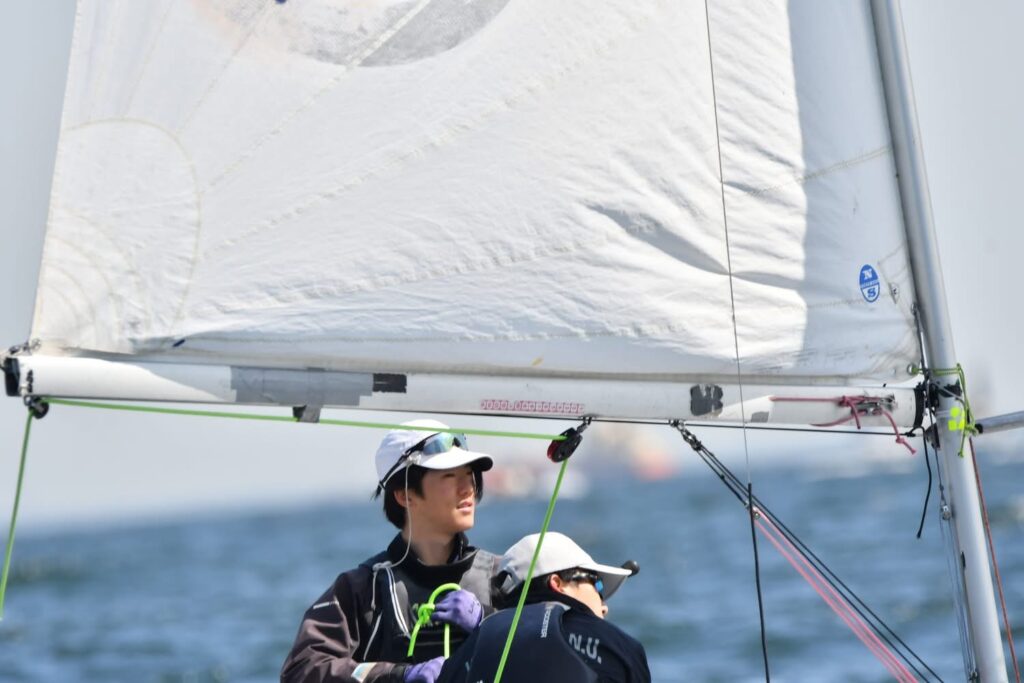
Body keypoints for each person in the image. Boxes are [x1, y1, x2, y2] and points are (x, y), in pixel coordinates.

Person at [282, 419, 500, 683]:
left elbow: (546, 644)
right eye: (449, 476)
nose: (468, 488)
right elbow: (302, 670)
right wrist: (397, 676)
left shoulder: (502, 576)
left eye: (468, 475)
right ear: (404, 495)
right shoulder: (361, 591)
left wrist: (489, 620)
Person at [437, 532, 651, 682]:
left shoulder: (464, 655)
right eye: (597, 585)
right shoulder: (618, 645)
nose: (604, 606)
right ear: (558, 584)